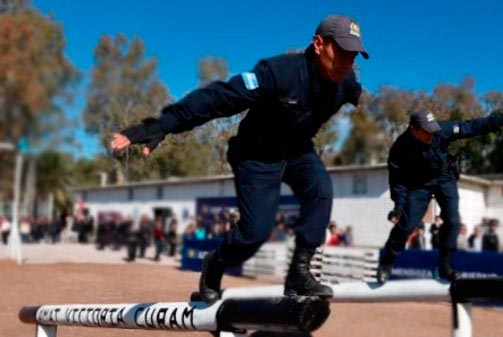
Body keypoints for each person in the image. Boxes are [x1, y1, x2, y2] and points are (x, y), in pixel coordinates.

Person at [110, 14, 368, 303]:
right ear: (318, 44)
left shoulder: (346, 83)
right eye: (341, 52)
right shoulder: (279, 73)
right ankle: (215, 264)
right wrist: (160, 125)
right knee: (255, 233)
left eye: (353, 56)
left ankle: (299, 272)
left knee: (321, 189)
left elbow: (362, 100)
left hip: (297, 150)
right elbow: (217, 98)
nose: (347, 62)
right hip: (255, 155)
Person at [377, 106, 503, 283]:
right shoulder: (400, 148)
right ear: (413, 129)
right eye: (427, 132)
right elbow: (397, 180)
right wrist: (398, 206)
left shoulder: (442, 130)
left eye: (433, 130)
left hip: (444, 177)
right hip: (420, 184)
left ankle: (445, 267)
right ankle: (386, 262)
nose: (432, 135)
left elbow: (475, 126)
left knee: (453, 221)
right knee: (407, 225)